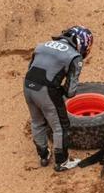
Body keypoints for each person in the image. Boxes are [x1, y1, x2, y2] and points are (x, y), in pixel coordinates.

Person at [23, 26, 93, 172]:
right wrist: (60, 91)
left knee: (37, 122)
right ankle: (62, 162)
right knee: (60, 127)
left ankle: (43, 156)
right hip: (46, 90)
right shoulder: (74, 56)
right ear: (83, 43)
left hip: (28, 85)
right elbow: (71, 91)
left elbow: (30, 68)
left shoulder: (41, 45)